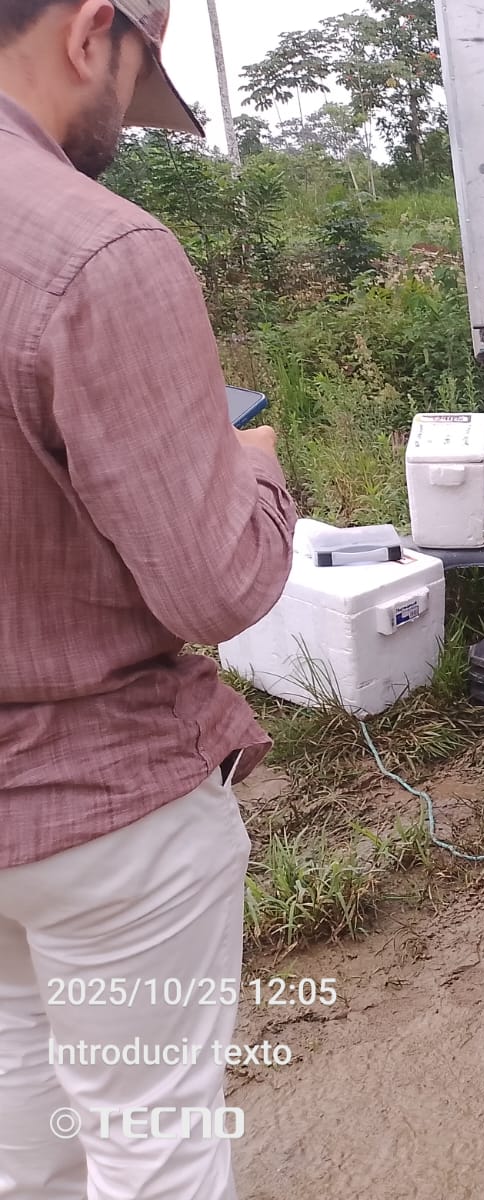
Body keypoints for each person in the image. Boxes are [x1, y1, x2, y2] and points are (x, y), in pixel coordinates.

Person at [0, 2, 298, 1195]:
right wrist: (256, 473)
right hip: (103, 812)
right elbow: (215, 585)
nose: (123, 123)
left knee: (23, 1138)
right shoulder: (95, 248)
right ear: (91, 33)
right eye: (133, 84)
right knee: (152, 1145)